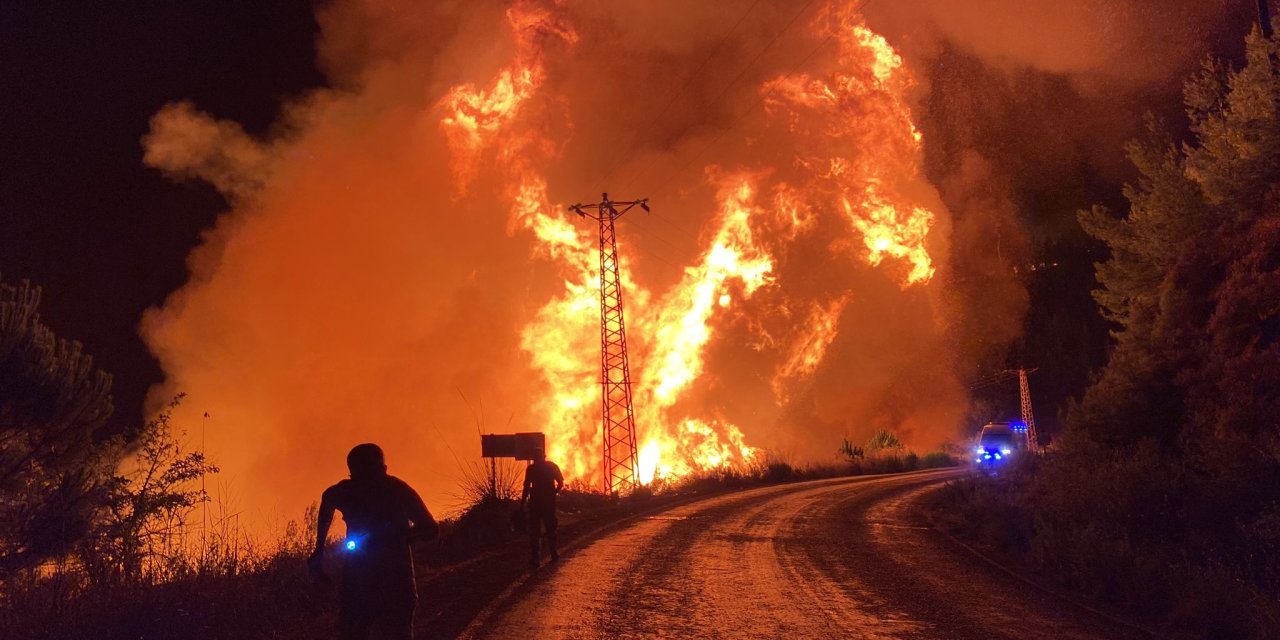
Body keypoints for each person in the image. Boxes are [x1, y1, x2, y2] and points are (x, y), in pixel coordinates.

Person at [309, 443, 438, 640]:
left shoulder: (396, 490)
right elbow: (327, 503)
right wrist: (319, 551)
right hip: (369, 579)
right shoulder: (387, 489)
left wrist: (397, 537)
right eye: (361, 475)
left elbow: (430, 528)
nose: (366, 482)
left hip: (393, 578)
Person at [521, 447, 564, 568]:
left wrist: (522, 503)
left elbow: (526, 487)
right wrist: (553, 493)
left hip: (536, 503)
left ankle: (536, 558)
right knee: (550, 528)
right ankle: (553, 553)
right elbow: (560, 483)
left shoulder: (531, 469)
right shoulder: (551, 466)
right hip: (547, 503)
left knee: (535, 531)